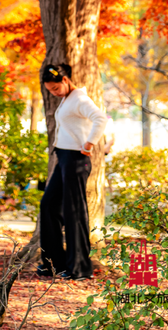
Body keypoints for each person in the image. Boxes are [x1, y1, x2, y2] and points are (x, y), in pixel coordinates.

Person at [37, 63, 107, 282]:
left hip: (77, 160)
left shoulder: (80, 99)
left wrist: (89, 145)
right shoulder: (68, 99)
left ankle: (79, 267)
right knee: (48, 205)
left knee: (74, 212)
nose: (54, 93)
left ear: (65, 80)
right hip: (63, 159)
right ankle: (52, 263)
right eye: (50, 91)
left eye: (55, 89)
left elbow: (101, 119)